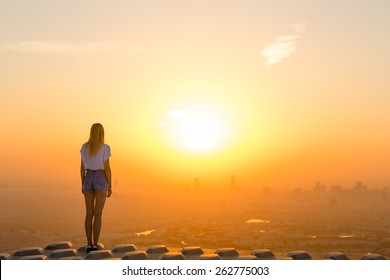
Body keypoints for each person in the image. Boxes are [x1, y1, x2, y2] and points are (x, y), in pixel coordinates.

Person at [80, 123, 112, 253]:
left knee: (89, 213)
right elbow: (108, 169)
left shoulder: (84, 147)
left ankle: (88, 244)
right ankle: (95, 244)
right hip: (100, 178)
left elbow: (82, 169)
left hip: (88, 178)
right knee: (98, 214)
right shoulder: (105, 148)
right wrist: (110, 185)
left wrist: (83, 183)